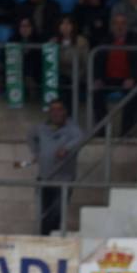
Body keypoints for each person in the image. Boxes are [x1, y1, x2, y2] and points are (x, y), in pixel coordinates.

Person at [21, 99, 84, 233]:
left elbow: (80, 137)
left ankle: (50, 236)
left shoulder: (72, 129)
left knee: (57, 211)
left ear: (65, 112)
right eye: (52, 110)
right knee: (43, 211)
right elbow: (30, 136)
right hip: (44, 178)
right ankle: (45, 237)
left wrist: (66, 149)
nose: (56, 113)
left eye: (59, 109)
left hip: (63, 180)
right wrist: (37, 152)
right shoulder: (41, 128)